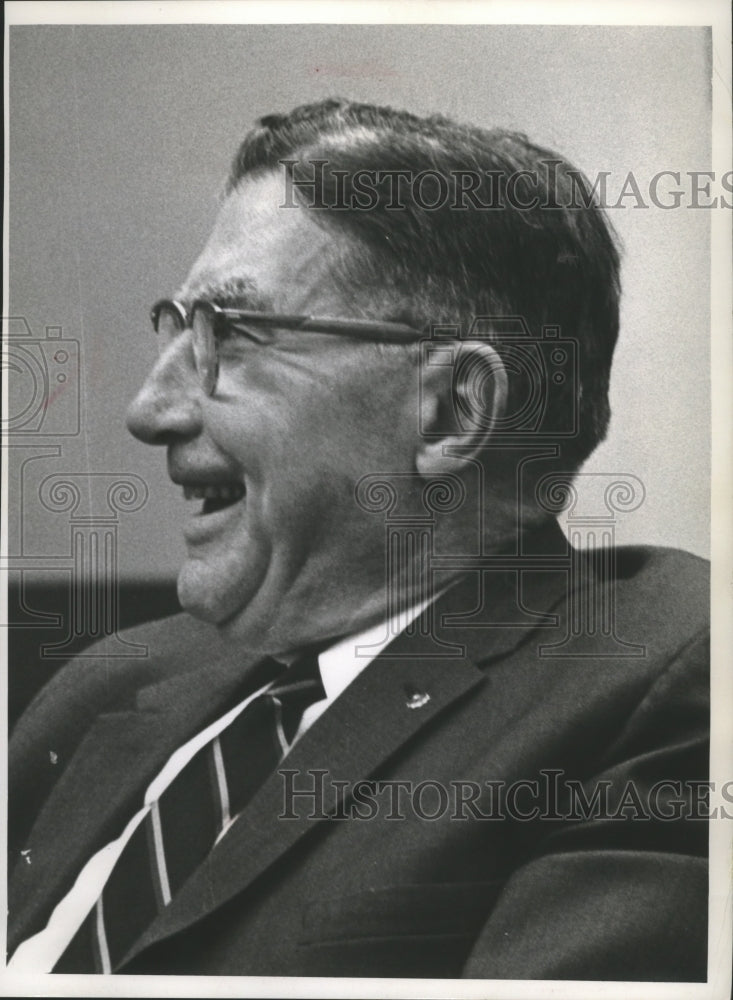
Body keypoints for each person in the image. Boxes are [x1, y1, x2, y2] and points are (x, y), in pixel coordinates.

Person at [8, 99, 709, 980]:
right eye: (177, 329)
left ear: (451, 411)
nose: (149, 410)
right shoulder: (113, 681)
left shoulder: (661, 673)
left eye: (232, 335)